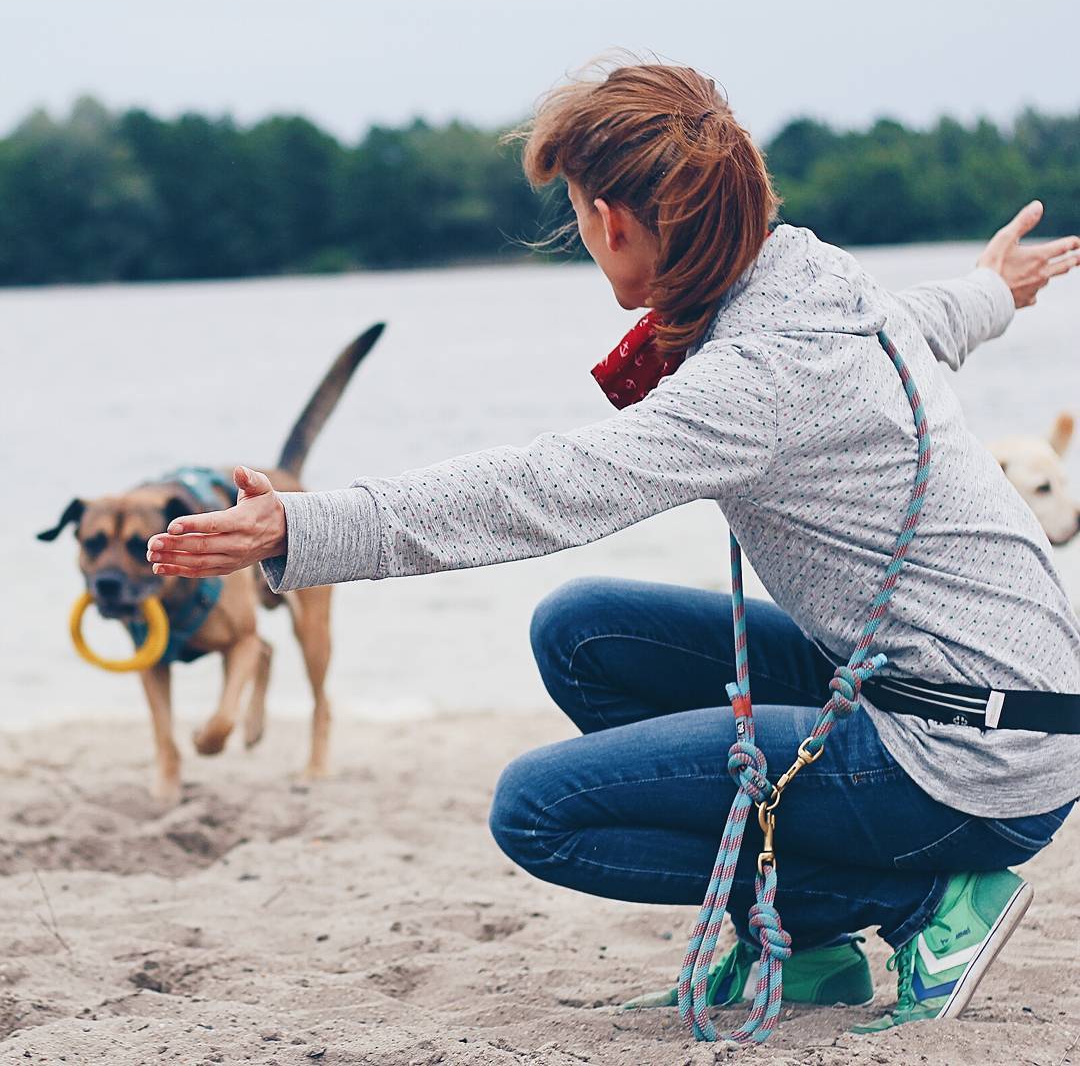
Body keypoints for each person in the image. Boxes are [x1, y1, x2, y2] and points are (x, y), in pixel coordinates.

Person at [146, 60, 1080, 1033]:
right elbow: (923, 321)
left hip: (965, 756)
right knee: (581, 632)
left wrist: (304, 525)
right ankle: (803, 948)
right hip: (997, 701)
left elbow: (541, 490)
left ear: (609, 220)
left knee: (538, 812)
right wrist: (991, 290)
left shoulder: (753, 373)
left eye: (576, 216)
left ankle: (927, 906)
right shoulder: (812, 277)